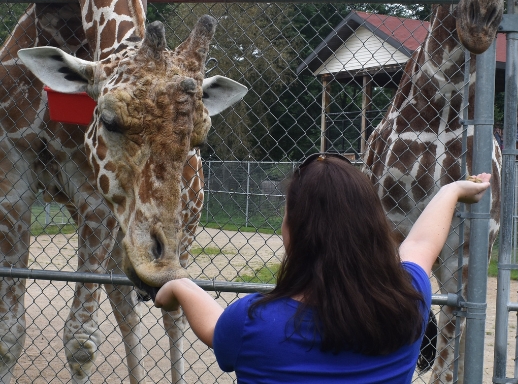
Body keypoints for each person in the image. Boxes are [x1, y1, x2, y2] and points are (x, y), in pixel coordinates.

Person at [155, 154, 491, 384]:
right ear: (371, 226)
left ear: (294, 233)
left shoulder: (251, 321)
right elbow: (419, 245)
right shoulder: (410, 300)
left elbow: (214, 327)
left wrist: (180, 286)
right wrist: (453, 191)